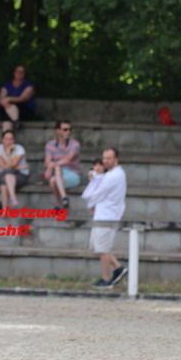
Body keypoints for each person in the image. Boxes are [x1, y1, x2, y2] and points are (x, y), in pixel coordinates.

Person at [82, 148, 127, 289]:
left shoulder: (113, 176)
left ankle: (106, 279)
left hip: (107, 216)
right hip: (104, 214)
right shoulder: (114, 174)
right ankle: (118, 268)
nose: (105, 161)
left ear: (116, 159)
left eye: (109, 158)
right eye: (104, 158)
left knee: (103, 248)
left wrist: (90, 203)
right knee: (99, 246)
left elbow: (97, 194)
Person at [44, 120, 81, 209]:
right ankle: (63, 200)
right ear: (58, 130)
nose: (68, 132)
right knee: (53, 180)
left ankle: (60, 203)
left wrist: (53, 164)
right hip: (57, 176)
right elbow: (47, 162)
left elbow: (67, 160)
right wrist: (50, 165)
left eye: (70, 129)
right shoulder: (50, 144)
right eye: (65, 129)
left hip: (73, 174)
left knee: (56, 170)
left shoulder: (75, 144)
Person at [0, 130, 29, 207]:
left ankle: (5, 210)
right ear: (2, 140)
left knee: (5, 181)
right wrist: (18, 167)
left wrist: (8, 154)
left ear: (14, 140)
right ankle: (13, 198)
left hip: (20, 176)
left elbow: (11, 165)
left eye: (11, 139)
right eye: (7, 139)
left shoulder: (20, 149)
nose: (9, 141)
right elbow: (2, 166)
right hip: (3, 174)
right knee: (8, 173)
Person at [0, 65, 36, 131]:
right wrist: (5, 103)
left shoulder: (29, 86)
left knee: (7, 115)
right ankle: (16, 122)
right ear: (14, 73)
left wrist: (9, 99)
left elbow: (22, 98)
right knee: (6, 109)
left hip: (24, 110)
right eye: (18, 71)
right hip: (7, 109)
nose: (19, 74)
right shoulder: (7, 85)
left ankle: (8, 132)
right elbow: (1, 98)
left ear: (24, 74)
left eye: (22, 72)